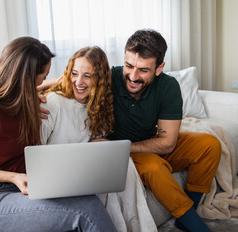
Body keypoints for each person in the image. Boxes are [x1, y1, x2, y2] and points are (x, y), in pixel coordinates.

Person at [39, 29, 221, 232]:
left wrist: (122, 146)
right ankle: (196, 226)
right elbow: (73, 79)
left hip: (146, 143)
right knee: (154, 168)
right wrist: (31, 92)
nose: (133, 76)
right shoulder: (111, 77)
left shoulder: (168, 86)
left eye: (143, 70)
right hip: (125, 152)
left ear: (159, 68)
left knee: (209, 144)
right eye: (129, 66)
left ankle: (188, 215)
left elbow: (168, 142)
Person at [0, 37, 117, 232]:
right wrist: (13, 177)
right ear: (26, 77)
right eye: (43, 77)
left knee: (88, 198)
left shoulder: (24, 99)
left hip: (29, 188)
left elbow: (29, 88)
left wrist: (52, 85)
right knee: (87, 210)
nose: (44, 81)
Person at [40, 46, 156, 232]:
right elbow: (37, 151)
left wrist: (99, 146)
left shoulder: (96, 106)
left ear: (99, 79)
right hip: (58, 179)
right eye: (74, 73)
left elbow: (91, 143)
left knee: (123, 165)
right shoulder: (53, 102)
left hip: (82, 173)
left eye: (88, 76)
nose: (79, 81)